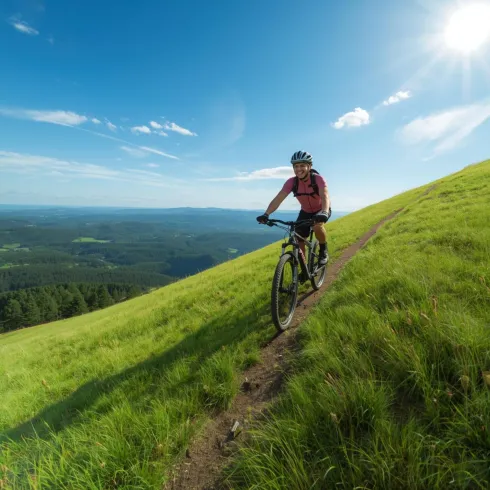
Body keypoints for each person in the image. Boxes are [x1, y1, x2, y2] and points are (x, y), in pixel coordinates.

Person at [256, 150, 331, 266]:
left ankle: (323, 250)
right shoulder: (292, 182)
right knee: (298, 238)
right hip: (305, 211)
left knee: (317, 226)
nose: (298, 169)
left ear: (309, 166)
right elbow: (278, 199)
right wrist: (266, 214)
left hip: (321, 210)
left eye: (302, 165)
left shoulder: (318, 179)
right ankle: (304, 267)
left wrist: (325, 212)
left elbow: (325, 196)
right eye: (296, 166)